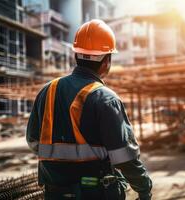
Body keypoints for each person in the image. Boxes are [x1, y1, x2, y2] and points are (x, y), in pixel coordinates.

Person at [26, 19, 152, 200]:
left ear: (76, 55)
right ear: (106, 61)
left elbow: (33, 140)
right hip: (95, 193)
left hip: (54, 192)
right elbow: (125, 157)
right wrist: (144, 188)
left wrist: (60, 166)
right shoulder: (105, 98)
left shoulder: (48, 90)